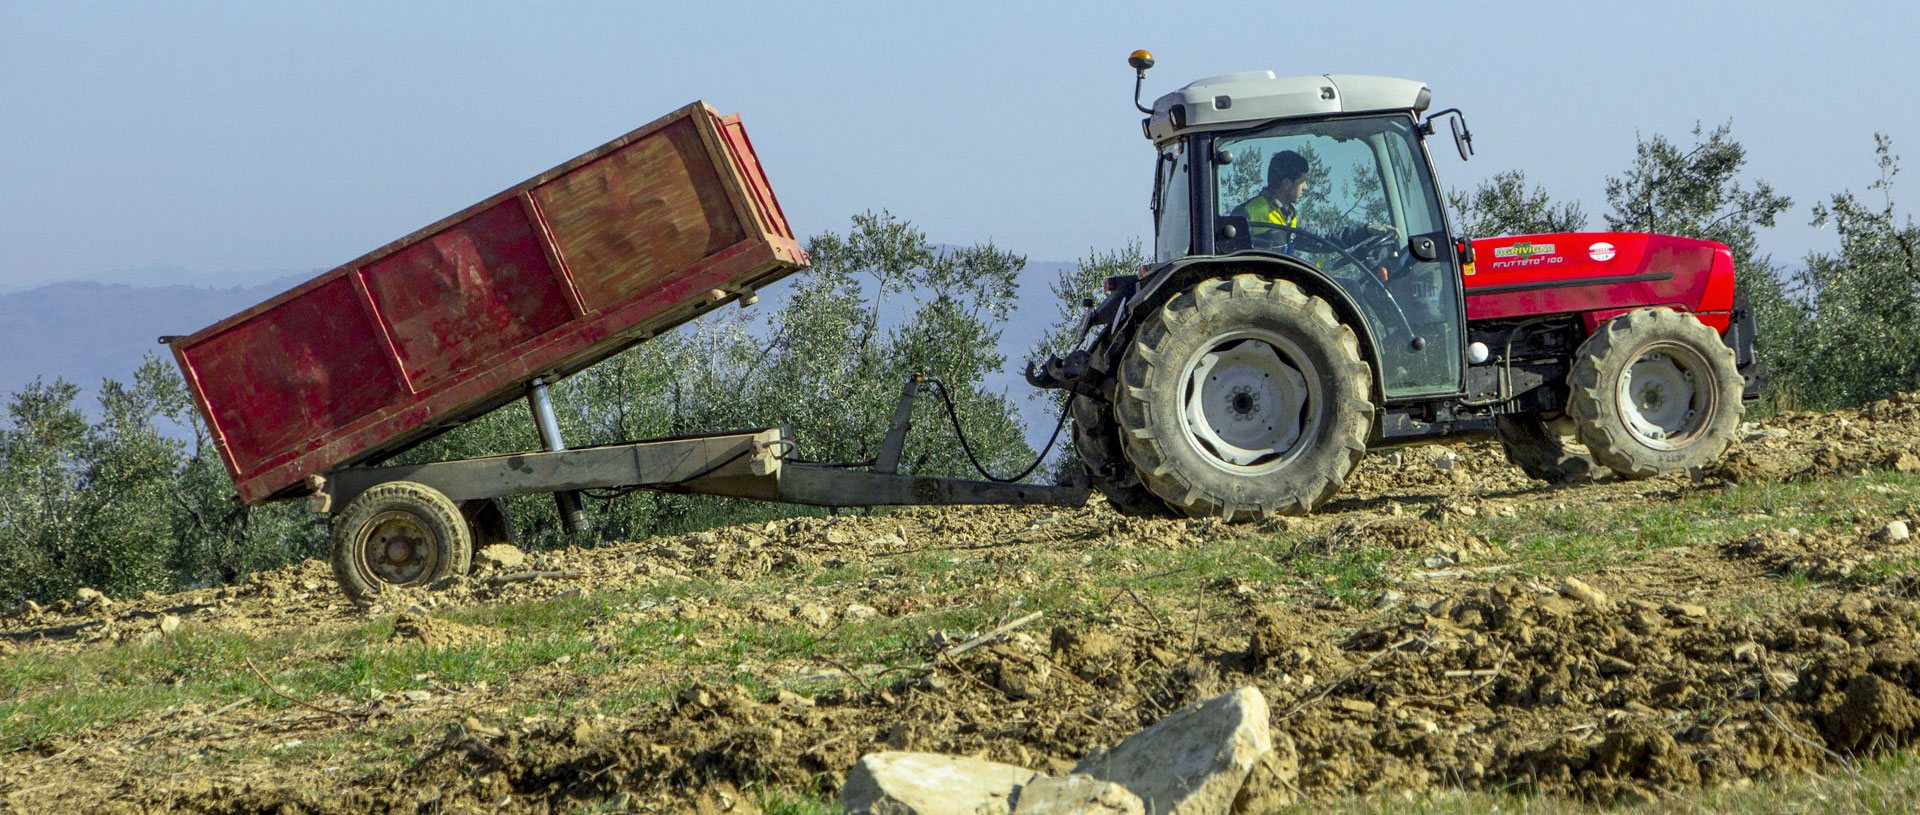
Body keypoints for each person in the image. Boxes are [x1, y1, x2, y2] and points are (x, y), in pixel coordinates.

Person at [1232, 150, 1393, 256]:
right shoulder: (1248, 213)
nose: (1306, 187)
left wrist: (1366, 231)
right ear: (1287, 183)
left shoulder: (1291, 218)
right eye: (1302, 182)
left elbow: (1326, 241)